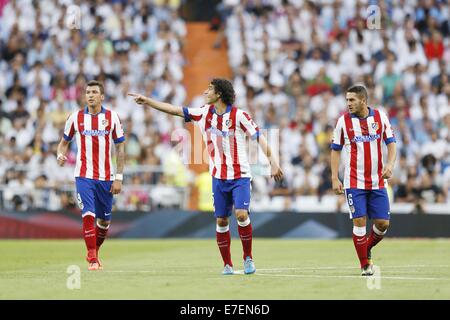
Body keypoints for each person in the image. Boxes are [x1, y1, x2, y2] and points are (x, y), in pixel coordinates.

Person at [128, 78, 283, 275]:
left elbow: (259, 137)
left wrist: (274, 162)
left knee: (242, 214)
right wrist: (148, 101)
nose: (205, 91)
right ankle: (227, 264)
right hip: (218, 177)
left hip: (240, 176)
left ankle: (248, 258)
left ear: (219, 94)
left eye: (210, 89)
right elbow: (174, 110)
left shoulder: (239, 116)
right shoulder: (203, 113)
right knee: (221, 221)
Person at [56, 80, 125, 271]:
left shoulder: (112, 117)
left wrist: (118, 177)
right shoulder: (75, 117)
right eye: (88, 92)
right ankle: (92, 258)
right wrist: (60, 154)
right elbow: (63, 142)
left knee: (104, 221)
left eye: (94, 92)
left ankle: (94, 250)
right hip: (83, 175)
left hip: (106, 177)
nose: (90, 95)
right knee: (88, 213)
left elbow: (120, 149)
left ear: (102, 96)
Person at [330, 85, 396, 276]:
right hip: (354, 182)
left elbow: (391, 144)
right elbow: (335, 150)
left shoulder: (380, 117)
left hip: (377, 181)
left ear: (363, 100)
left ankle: (365, 248)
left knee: (383, 224)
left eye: (352, 100)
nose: (348, 104)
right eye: (347, 100)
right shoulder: (343, 122)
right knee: (359, 221)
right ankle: (365, 265)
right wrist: (335, 178)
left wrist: (390, 165)